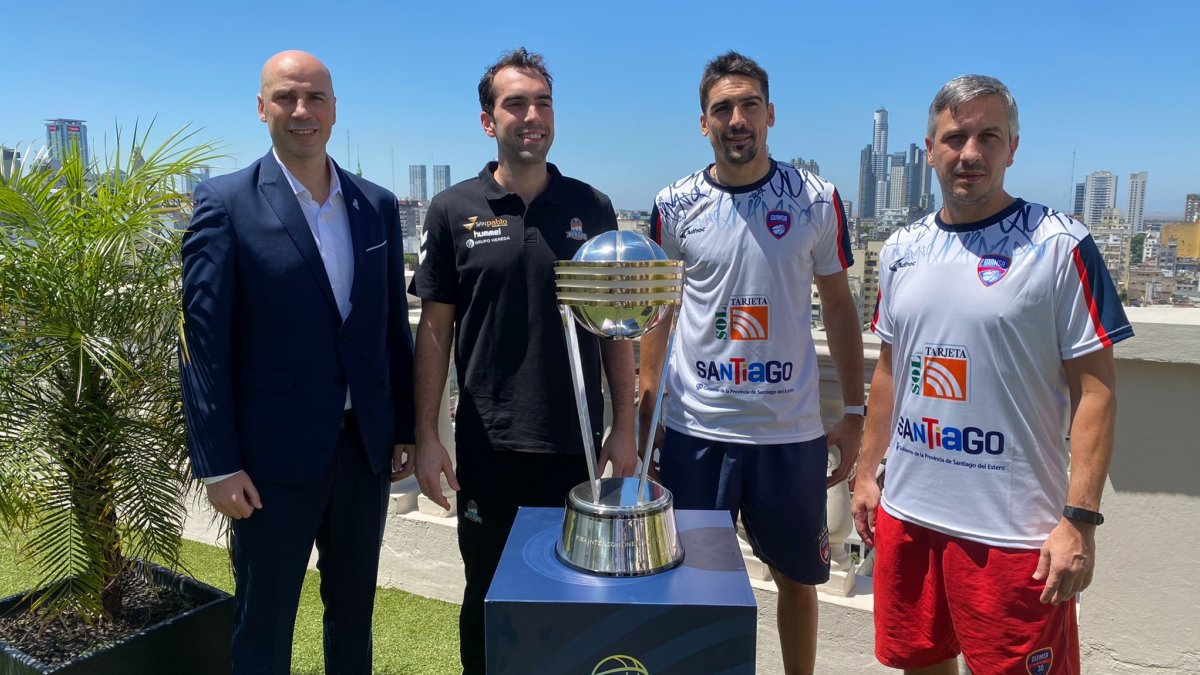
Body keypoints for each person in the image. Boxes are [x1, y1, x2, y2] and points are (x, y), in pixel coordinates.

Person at [851, 75, 1133, 675]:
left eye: (988, 136)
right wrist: (866, 473)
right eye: (955, 137)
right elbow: (889, 369)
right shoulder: (902, 248)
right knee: (920, 664)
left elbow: (1097, 389)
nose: (970, 153)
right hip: (908, 512)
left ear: (1013, 147)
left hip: (1012, 535)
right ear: (930, 150)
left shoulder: (1059, 244)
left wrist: (1080, 520)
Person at [181, 50, 415, 673]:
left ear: (335, 109)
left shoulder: (377, 205)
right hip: (268, 462)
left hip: (362, 454)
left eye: (315, 98)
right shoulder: (224, 204)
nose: (302, 111)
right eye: (286, 97)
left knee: (353, 616)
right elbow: (203, 348)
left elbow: (392, 327)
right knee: (264, 622)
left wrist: (404, 431)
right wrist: (218, 464)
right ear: (262, 109)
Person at [408, 47, 637, 675]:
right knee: (486, 599)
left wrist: (626, 425)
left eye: (542, 103)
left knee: (574, 600)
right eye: (516, 104)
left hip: (578, 448)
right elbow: (433, 333)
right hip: (489, 447)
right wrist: (427, 438)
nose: (531, 115)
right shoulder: (453, 210)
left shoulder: (591, 208)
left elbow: (616, 326)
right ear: (490, 121)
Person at [639, 51, 865, 675]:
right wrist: (646, 399)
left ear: (771, 115)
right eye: (722, 109)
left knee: (797, 580)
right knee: (689, 581)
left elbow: (840, 305)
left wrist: (852, 411)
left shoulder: (816, 198)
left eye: (749, 106)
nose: (736, 119)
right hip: (694, 430)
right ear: (703, 123)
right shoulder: (674, 203)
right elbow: (660, 305)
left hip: (787, 435)